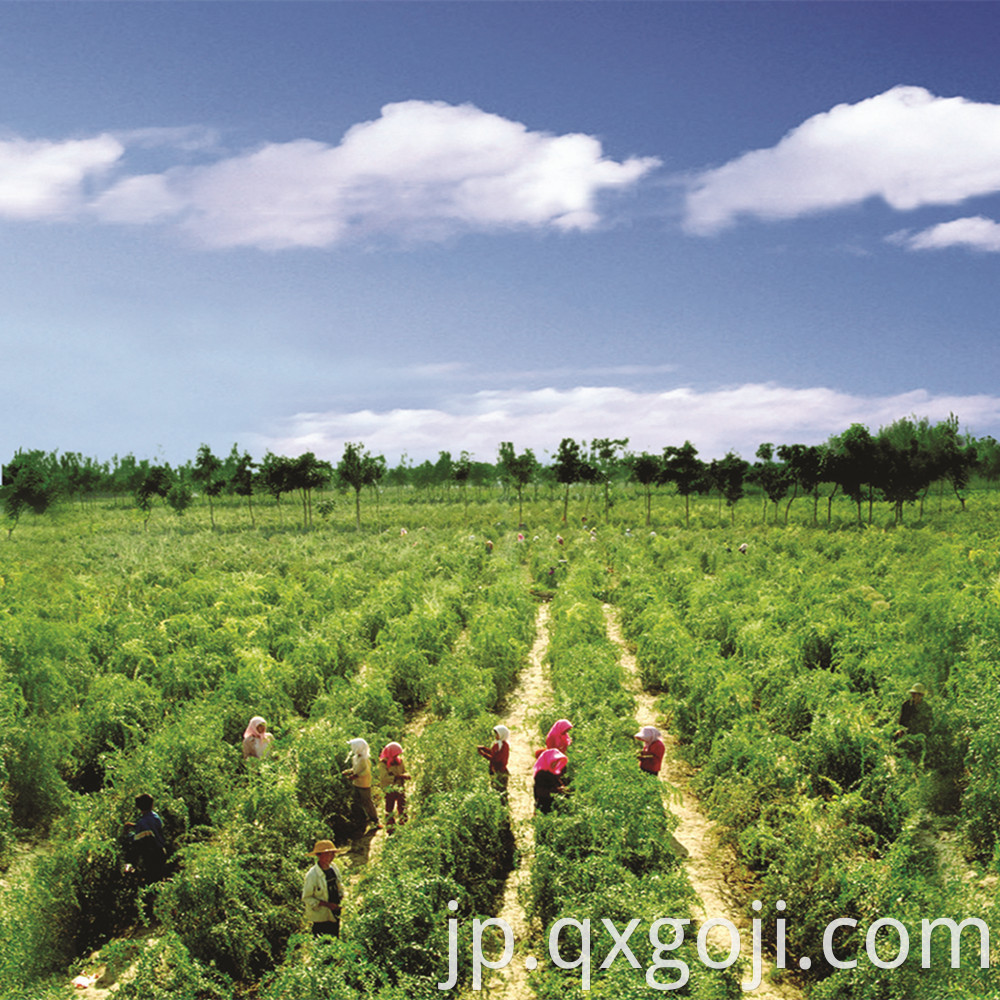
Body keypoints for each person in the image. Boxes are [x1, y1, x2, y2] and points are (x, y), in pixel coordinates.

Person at [302, 839, 344, 938]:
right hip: (321, 916)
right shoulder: (312, 875)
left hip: (335, 912)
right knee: (321, 940)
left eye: (332, 854)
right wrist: (327, 905)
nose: (330, 857)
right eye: (327, 854)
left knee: (335, 937)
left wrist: (341, 899)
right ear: (318, 855)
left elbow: (339, 885)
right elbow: (307, 898)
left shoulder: (333, 868)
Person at [125, 793, 170, 886]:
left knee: (152, 882)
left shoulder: (143, 823)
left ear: (138, 807)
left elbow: (137, 839)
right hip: (161, 851)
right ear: (152, 805)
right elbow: (152, 829)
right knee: (160, 880)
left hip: (152, 856)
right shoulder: (155, 816)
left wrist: (127, 834)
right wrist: (135, 825)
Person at [343, 738, 380, 832]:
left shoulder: (364, 759)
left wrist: (355, 776)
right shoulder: (356, 758)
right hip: (357, 783)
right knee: (357, 802)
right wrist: (349, 772)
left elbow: (365, 771)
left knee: (367, 802)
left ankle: (375, 820)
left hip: (364, 784)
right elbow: (356, 768)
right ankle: (363, 821)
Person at [376, 742, 410, 832]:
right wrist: (398, 777)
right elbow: (384, 778)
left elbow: (404, 771)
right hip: (389, 788)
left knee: (402, 806)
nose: (397, 756)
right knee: (389, 808)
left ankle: (403, 825)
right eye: (395, 755)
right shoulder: (383, 764)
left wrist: (405, 775)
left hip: (400, 787)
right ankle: (391, 828)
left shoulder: (400, 761)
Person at [477, 725, 510, 797]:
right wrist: (484, 748)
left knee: (500, 790)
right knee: (496, 790)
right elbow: (493, 753)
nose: (495, 735)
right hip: (496, 770)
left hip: (499, 771)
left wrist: (483, 754)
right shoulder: (499, 744)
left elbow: (496, 759)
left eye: (497, 734)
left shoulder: (503, 746)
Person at [533, 749, 568, 814]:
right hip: (544, 805)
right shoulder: (541, 774)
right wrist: (557, 790)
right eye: (554, 762)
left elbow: (558, 784)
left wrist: (563, 789)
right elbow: (541, 792)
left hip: (551, 804)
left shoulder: (552, 772)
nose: (555, 764)